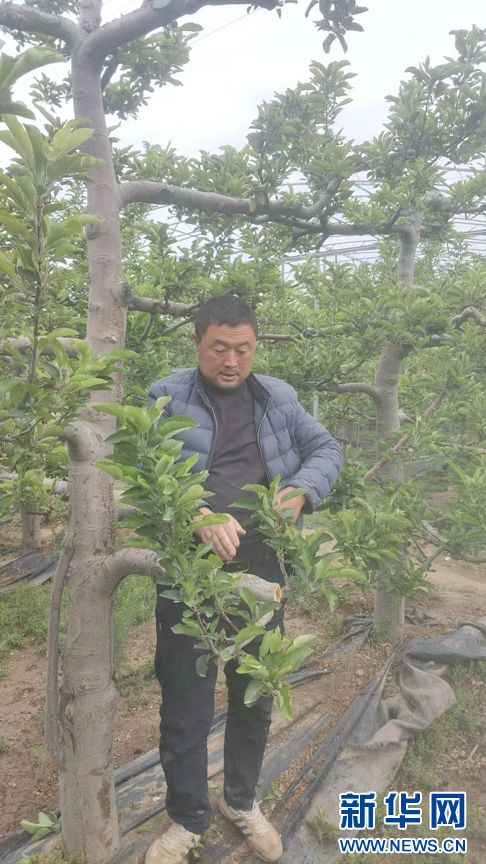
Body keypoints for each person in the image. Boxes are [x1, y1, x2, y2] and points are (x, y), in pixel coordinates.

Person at [145, 294, 343, 864]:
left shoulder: (278, 396)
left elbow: (326, 447)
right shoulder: (166, 395)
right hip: (190, 575)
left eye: (243, 349)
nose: (231, 361)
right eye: (219, 348)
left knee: (254, 692)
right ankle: (187, 817)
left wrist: (302, 489)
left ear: (255, 346)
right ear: (196, 343)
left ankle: (241, 801)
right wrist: (196, 512)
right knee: (185, 700)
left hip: (262, 570)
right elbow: (147, 470)